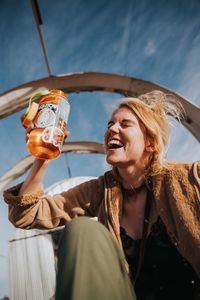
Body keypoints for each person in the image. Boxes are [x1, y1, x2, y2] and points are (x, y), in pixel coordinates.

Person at [4, 90, 200, 300]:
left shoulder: (189, 179)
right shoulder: (99, 191)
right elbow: (25, 214)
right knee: (83, 229)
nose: (112, 129)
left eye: (125, 124)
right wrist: (43, 155)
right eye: (109, 125)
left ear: (150, 142)